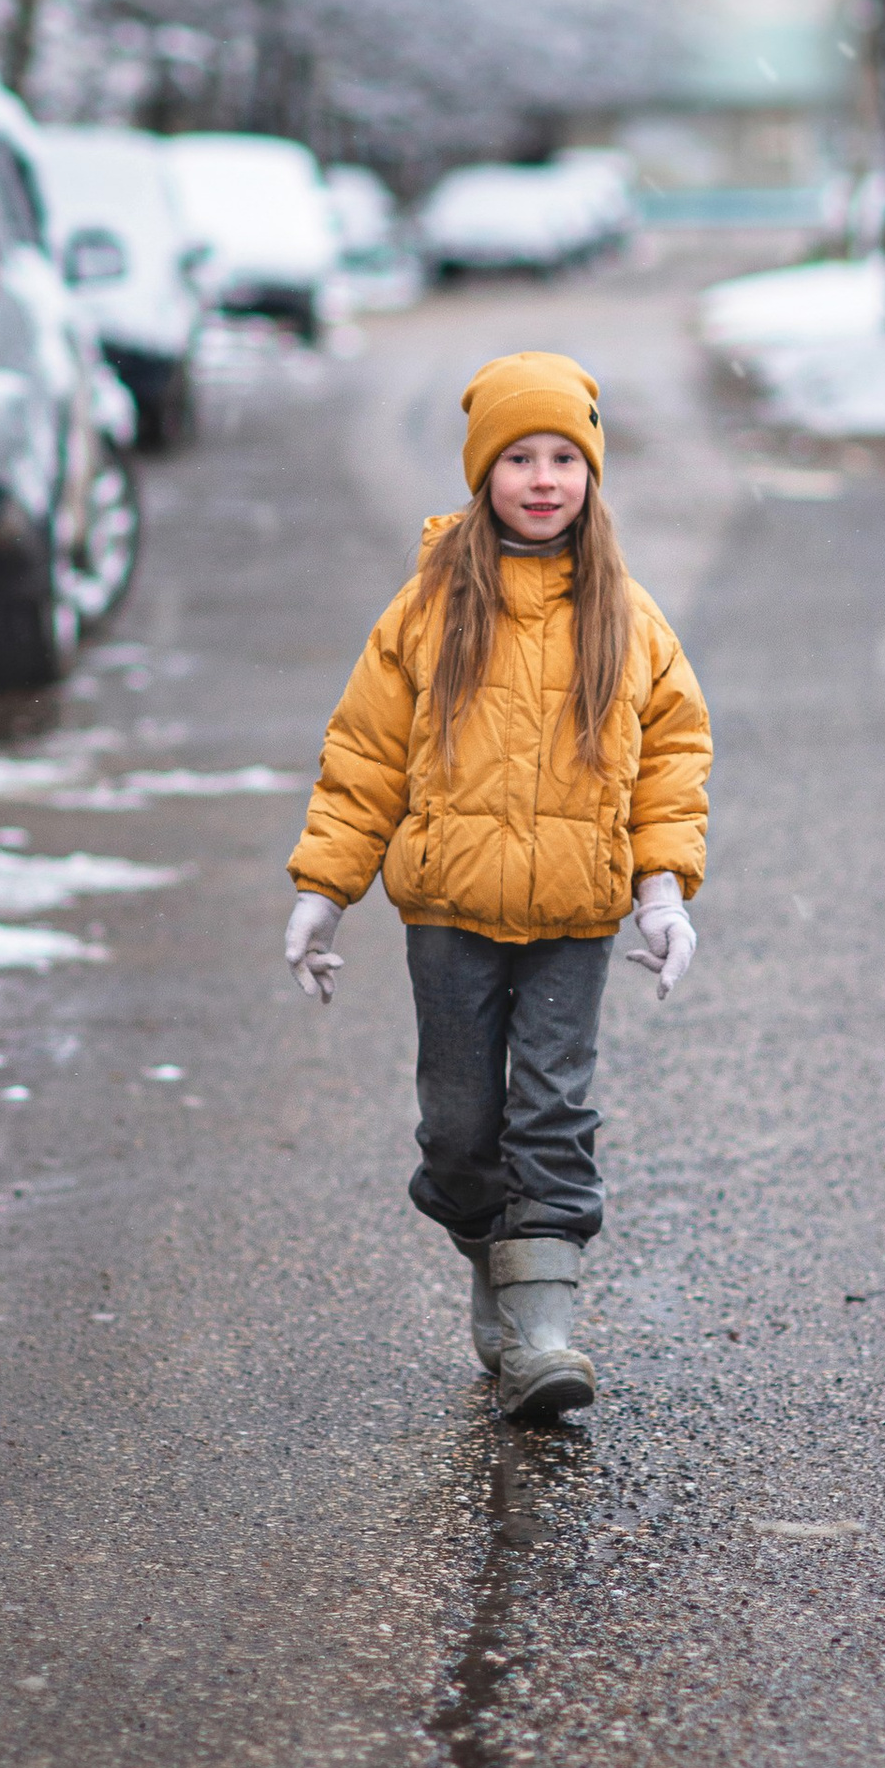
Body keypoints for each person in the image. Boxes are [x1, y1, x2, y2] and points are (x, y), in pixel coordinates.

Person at [281, 349, 711, 1423]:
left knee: (553, 1112)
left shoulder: (627, 614)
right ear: (483, 473)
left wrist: (661, 892)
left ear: (591, 474)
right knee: (461, 1128)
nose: (542, 478)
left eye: (564, 456)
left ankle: (544, 1334)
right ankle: (494, 1254)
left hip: (575, 913)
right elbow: (364, 758)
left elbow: (671, 757)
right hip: (449, 914)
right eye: (519, 456)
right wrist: (323, 889)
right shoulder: (427, 607)